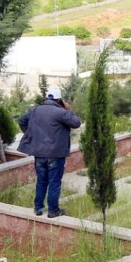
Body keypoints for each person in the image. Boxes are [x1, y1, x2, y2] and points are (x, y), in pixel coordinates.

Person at [17, 88, 82, 218]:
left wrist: (31, 134)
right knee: (54, 182)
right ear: (59, 100)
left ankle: (38, 208)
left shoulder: (35, 110)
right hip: (55, 154)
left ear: (47, 98)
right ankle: (53, 211)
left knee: (41, 181)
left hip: (39, 154)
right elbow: (76, 123)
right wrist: (67, 109)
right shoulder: (61, 112)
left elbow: (21, 121)